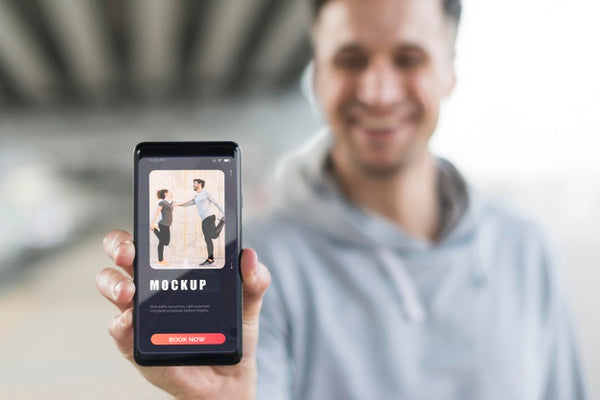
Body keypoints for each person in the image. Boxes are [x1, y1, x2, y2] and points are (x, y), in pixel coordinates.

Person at [95, 0, 589, 399]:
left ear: (450, 71)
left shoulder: (525, 248)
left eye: (408, 58)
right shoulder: (252, 268)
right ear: (317, 76)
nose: (376, 91)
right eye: (350, 60)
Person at [180, 178, 225, 266]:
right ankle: (210, 259)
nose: (193, 185)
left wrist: (224, 213)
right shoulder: (196, 197)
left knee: (214, 235)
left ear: (200, 184)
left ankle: (223, 221)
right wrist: (177, 205)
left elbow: (216, 203)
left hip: (209, 217)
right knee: (207, 239)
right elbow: (187, 205)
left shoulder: (206, 193)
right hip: (204, 219)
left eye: (195, 183)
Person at [150, 188, 176, 266]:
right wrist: (151, 223)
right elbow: (157, 213)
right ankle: (154, 228)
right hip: (163, 224)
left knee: (162, 242)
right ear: (166, 193)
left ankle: (160, 260)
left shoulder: (170, 203)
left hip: (167, 225)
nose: (171, 193)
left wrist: (192, 200)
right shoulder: (162, 202)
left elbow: (181, 203)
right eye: (169, 192)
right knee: (165, 242)